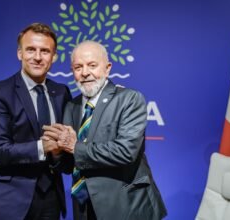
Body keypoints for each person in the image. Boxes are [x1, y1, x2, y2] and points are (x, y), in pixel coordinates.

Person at [43, 41, 167, 220]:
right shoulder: (72, 106)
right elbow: (71, 165)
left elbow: (126, 152)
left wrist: (74, 146)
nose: (85, 72)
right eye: (78, 67)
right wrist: (56, 153)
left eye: (92, 65)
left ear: (107, 68)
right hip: (84, 207)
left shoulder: (129, 99)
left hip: (126, 206)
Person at [0, 23, 73, 220]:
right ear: (20, 53)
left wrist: (56, 154)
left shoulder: (62, 92)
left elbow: (66, 159)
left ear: (53, 57)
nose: (37, 57)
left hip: (51, 200)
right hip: (8, 202)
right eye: (31, 50)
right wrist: (43, 146)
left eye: (45, 51)